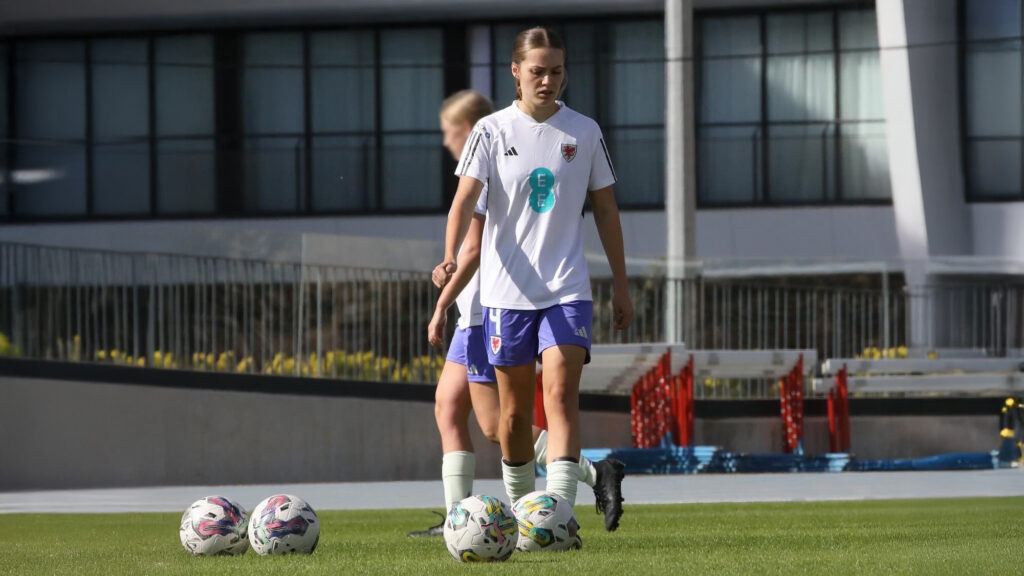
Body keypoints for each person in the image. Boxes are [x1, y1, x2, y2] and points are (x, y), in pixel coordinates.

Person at [434, 28, 633, 533]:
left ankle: (558, 519)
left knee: (561, 397)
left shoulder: (584, 131)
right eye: (538, 71)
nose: (548, 80)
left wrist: (622, 284)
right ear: (516, 72)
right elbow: (463, 201)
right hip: (505, 296)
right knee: (513, 421)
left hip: (567, 290)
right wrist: (449, 259)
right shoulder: (491, 131)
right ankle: (526, 518)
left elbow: (606, 210)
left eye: (557, 71)